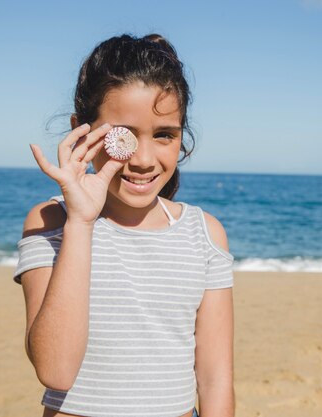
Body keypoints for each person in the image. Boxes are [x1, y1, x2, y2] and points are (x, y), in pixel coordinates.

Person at [12, 34, 235, 417]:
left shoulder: (204, 233)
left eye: (164, 135)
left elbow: (215, 379)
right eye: (123, 137)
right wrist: (81, 223)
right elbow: (56, 371)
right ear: (80, 131)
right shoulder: (52, 221)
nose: (144, 159)